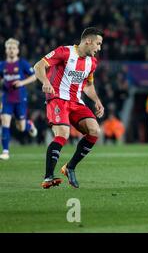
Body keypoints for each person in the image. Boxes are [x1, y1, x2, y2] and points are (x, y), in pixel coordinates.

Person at [33, 27, 105, 189]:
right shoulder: (64, 52)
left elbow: (88, 85)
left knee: (94, 131)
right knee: (63, 134)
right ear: (88, 41)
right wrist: (45, 81)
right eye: (98, 44)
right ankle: (48, 177)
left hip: (76, 102)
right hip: (57, 99)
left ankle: (70, 167)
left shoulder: (92, 62)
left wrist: (97, 100)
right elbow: (38, 66)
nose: (99, 48)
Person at [0, 38, 38, 160]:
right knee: (5, 122)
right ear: (6, 50)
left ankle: (29, 125)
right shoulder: (2, 65)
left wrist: (22, 83)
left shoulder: (22, 63)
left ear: (17, 50)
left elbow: (34, 77)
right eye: (9, 48)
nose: (11, 50)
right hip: (7, 98)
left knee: (21, 127)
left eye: (13, 48)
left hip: (20, 98)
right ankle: (5, 151)